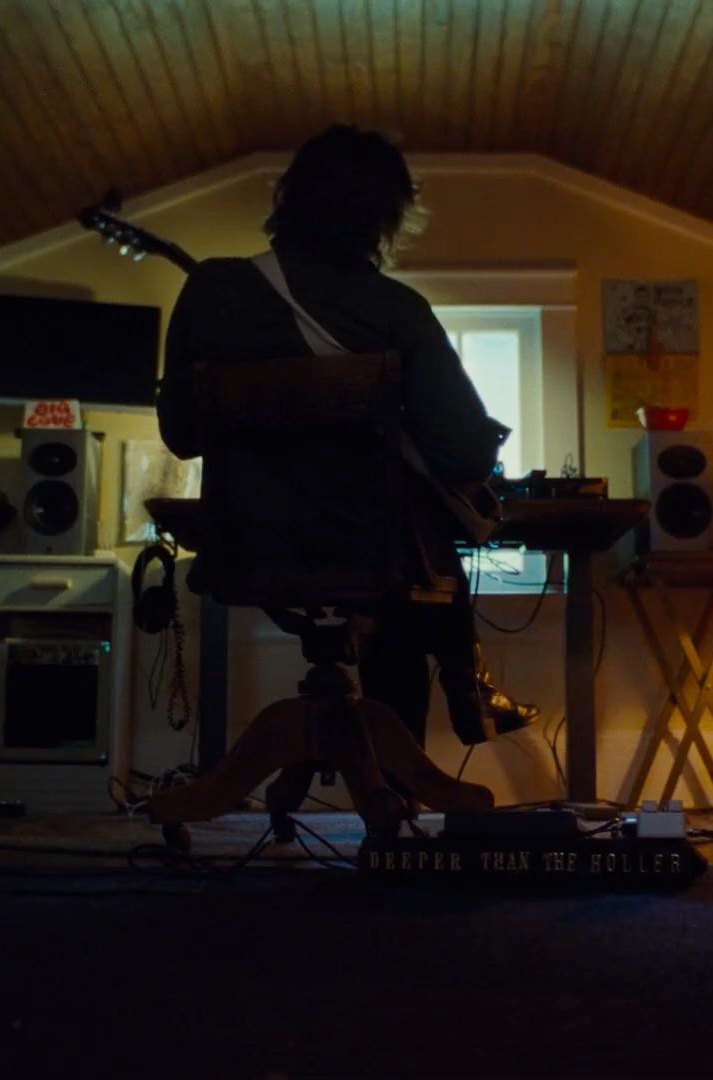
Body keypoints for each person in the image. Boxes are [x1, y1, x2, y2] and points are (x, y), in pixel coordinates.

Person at [157, 123, 538, 748]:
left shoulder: (209, 289)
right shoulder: (397, 310)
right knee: (413, 572)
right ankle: (426, 744)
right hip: (375, 557)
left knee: (402, 566)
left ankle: (457, 693)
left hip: (248, 547)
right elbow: (465, 450)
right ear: (384, 217)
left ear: (290, 197)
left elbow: (181, 434)